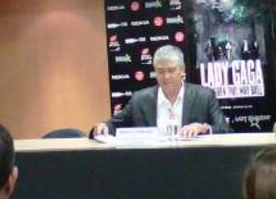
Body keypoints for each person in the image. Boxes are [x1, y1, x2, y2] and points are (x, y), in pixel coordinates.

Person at [93, 45, 230, 138]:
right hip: (152, 165)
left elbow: (225, 130)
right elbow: (113, 125)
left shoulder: (204, 96)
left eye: (171, 70)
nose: (166, 76)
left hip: (192, 164)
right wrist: (103, 127)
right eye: (160, 71)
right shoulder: (140, 99)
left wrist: (203, 128)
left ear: (182, 69)